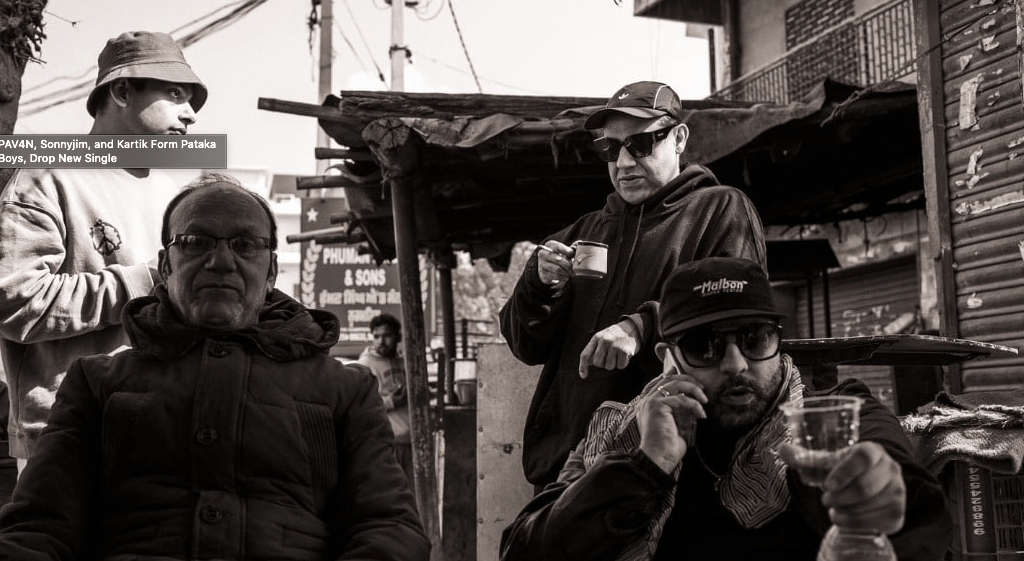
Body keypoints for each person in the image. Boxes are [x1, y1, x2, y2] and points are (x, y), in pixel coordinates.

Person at [0, 175, 431, 560]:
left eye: (244, 245)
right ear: (165, 267)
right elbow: (40, 528)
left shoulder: (345, 387)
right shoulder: (97, 383)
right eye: (195, 242)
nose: (221, 261)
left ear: (272, 272)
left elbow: (388, 527)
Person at [500, 257, 951, 561]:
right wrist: (644, 467)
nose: (736, 364)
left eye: (754, 339)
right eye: (705, 346)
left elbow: (915, 524)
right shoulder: (619, 433)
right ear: (667, 358)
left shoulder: (835, 416)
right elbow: (523, 548)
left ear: (777, 342)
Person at [499, 80, 768, 488]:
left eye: (640, 145)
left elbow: (737, 310)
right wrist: (539, 285)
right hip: (569, 466)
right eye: (610, 149)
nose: (623, 162)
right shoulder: (587, 230)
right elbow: (526, 345)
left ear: (678, 138)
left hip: (671, 465)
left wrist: (641, 325)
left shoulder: (720, 209)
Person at [0, 30, 207, 469]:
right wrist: (144, 281)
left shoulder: (172, 191)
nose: (190, 115)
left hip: (161, 430)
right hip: (66, 436)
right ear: (120, 90)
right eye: (175, 94)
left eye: (191, 100)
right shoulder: (48, 176)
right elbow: (14, 304)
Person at [358, 312, 414, 485]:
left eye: (386, 336)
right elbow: (360, 404)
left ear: (397, 337)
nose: (381, 341)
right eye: (377, 336)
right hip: (387, 442)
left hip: (410, 440)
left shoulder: (404, 361)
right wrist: (391, 402)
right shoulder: (365, 365)